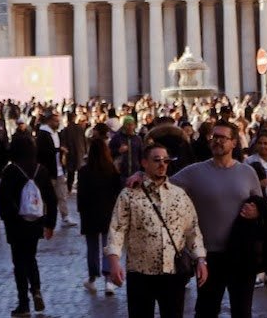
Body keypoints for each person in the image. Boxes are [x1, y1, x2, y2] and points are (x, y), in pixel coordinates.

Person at [170, 121, 261, 318]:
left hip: (241, 255)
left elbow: (262, 208)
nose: (217, 141)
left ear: (234, 143)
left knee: (242, 311)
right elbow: (163, 186)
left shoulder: (248, 172)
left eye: (223, 137)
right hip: (209, 257)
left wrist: (256, 212)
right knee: (206, 311)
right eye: (214, 136)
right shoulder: (194, 172)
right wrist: (142, 175)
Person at [105, 140, 206, 318]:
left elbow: (192, 230)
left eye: (165, 161)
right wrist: (114, 262)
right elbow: (117, 230)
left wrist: (200, 260)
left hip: (173, 274)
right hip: (140, 273)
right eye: (157, 160)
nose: (162, 165)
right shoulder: (129, 194)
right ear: (144, 163)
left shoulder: (178, 194)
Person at [0, 131, 58, 317]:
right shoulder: (41, 170)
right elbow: (51, 198)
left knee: (19, 262)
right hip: (36, 222)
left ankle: (23, 303)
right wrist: (50, 223)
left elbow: (3, 200)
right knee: (31, 258)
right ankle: (37, 289)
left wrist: (6, 219)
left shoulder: (10, 171)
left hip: (16, 224)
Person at [76, 124, 121, 294]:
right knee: (108, 247)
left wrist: (81, 212)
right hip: (108, 213)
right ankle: (109, 280)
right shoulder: (111, 171)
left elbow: (81, 195)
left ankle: (93, 277)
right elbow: (117, 193)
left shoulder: (84, 171)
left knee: (92, 247)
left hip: (90, 214)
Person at [36, 108, 74, 224]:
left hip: (59, 169)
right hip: (49, 171)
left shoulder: (56, 133)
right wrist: (58, 150)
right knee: (47, 197)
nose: (58, 123)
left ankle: (65, 216)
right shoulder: (43, 133)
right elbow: (43, 152)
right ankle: (44, 218)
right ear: (49, 121)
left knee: (62, 194)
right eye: (56, 121)